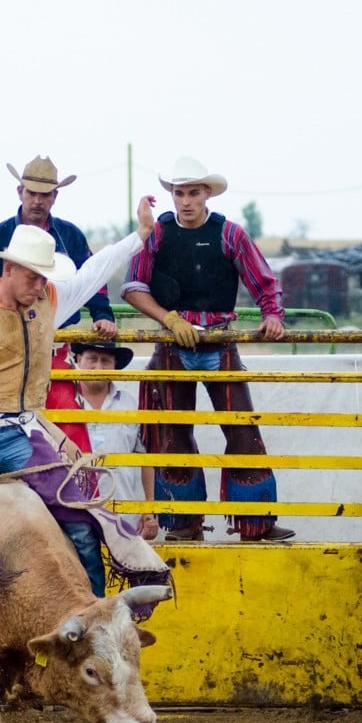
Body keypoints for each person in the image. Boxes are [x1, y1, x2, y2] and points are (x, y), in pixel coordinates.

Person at [0, 197, 172, 682]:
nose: (42, 285)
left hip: (23, 431)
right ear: (9, 270)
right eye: (34, 276)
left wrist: (138, 237)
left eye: (45, 277)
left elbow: (95, 270)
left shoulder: (48, 299)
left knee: (81, 520)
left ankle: (97, 620)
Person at [122, 156, 295, 543]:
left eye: (193, 193)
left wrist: (273, 315)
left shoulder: (230, 234)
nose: (186, 201)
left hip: (220, 335)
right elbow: (134, 287)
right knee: (172, 434)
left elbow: (264, 281)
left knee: (242, 430)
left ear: (207, 195)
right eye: (180, 193)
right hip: (174, 340)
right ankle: (184, 524)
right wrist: (170, 320)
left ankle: (256, 524)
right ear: (171, 194)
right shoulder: (158, 235)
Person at [0, 154, 117, 339]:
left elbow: (91, 279)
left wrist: (102, 315)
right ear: (19, 192)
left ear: (55, 196)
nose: (37, 201)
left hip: (59, 337)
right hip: (4, 334)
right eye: (31, 193)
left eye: (45, 194)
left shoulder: (71, 235)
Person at [68, 341, 159, 541]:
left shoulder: (131, 404)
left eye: (106, 361)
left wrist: (149, 510)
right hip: (73, 515)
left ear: (115, 366)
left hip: (124, 515)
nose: (98, 367)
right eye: (92, 359)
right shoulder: (63, 402)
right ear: (78, 360)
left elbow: (146, 461)